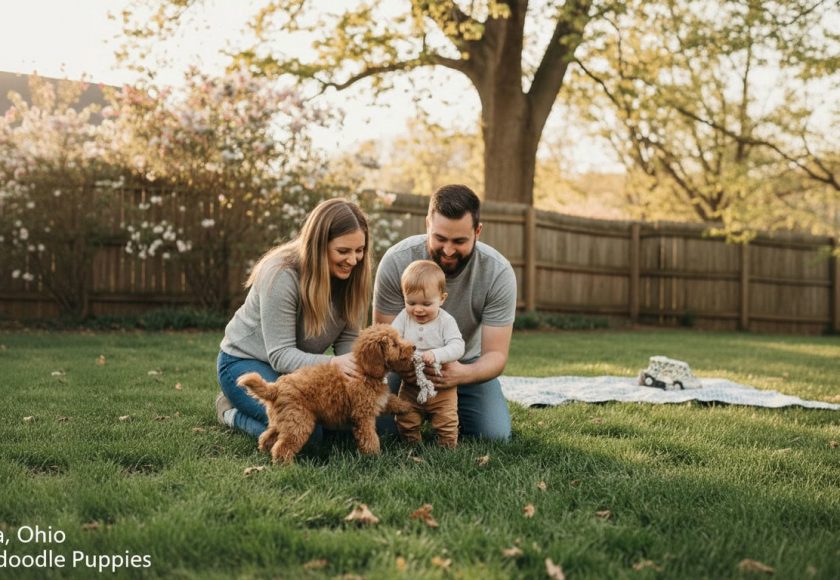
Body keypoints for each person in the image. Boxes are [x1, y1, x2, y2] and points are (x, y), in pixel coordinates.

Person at [215, 198, 371, 439]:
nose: (353, 260)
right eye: (343, 251)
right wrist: (332, 364)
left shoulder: (353, 278)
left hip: (301, 373)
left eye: (359, 250)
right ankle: (229, 411)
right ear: (319, 245)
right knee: (305, 434)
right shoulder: (281, 274)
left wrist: (359, 378)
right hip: (247, 363)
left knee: (364, 424)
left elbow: (347, 347)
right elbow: (279, 355)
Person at [373, 184, 517, 441]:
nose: (448, 250)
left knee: (493, 435)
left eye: (459, 241)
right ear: (428, 224)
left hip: (464, 365)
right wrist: (406, 367)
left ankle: (448, 413)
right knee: (379, 429)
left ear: (478, 231)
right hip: (405, 366)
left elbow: (496, 354)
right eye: (440, 238)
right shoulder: (396, 261)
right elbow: (384, 337)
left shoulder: (497, 273)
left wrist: (463, 374)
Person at [391, 260, 465, 447]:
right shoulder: (403, 318)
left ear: (442, 298)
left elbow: (458, 346)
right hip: (410, 385)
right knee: (406, 417)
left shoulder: (445, 321)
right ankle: (411, 444)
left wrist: (437, 354)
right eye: (411, 302)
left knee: (446, 420)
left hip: (441, 387)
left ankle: (447, 447)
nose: (418, 309)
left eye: (426, 303)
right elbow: (393, 338)